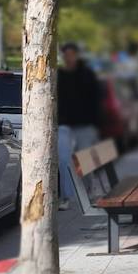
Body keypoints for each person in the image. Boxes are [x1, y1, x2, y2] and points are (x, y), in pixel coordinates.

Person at [56, 43, 104, 211]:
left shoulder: (87, 74)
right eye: (65, 55)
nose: (68, 58)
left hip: (85, 124)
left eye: (71, 54)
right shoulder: (59, 75)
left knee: (86, 159)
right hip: (64, 124)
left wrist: (96, 122)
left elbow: (97, 99)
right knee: (64, 161)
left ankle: (90, 192)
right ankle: (66, 197)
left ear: (76, 55)